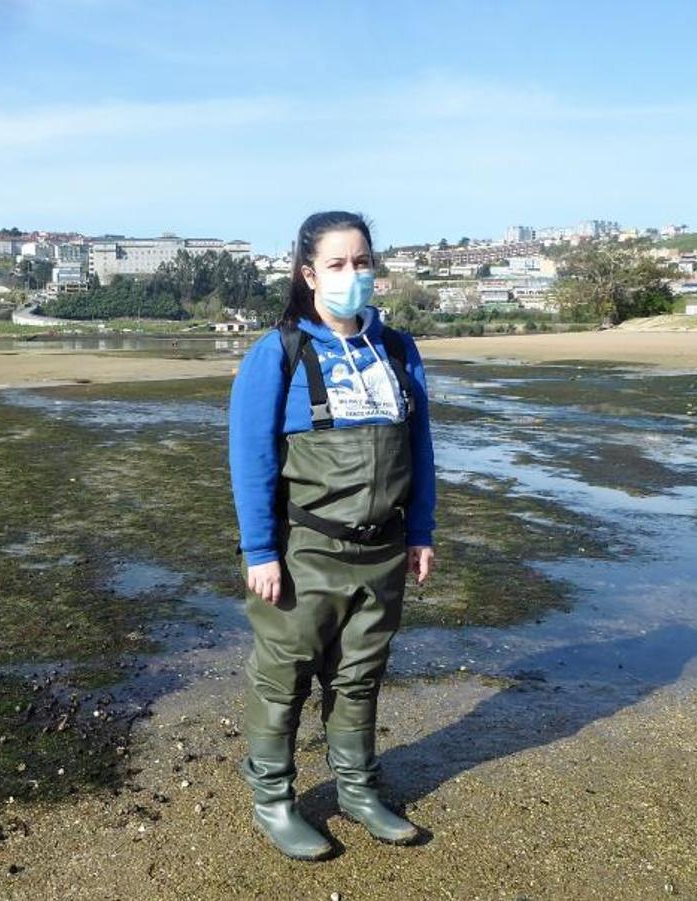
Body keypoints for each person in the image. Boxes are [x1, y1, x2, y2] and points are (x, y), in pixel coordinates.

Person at [227, 210, 436, 861]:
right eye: (338, 264)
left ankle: (356, 789)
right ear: (309, 273)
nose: (354, 275)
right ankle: (274, 800)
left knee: (360, 676)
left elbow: (419, 448)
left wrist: (420, 530)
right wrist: (260, 550)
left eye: (363, 262)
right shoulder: (280, 352)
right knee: (282, 678)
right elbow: (250, 454)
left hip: (383, 551)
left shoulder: (398, 349)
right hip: (306, 551)